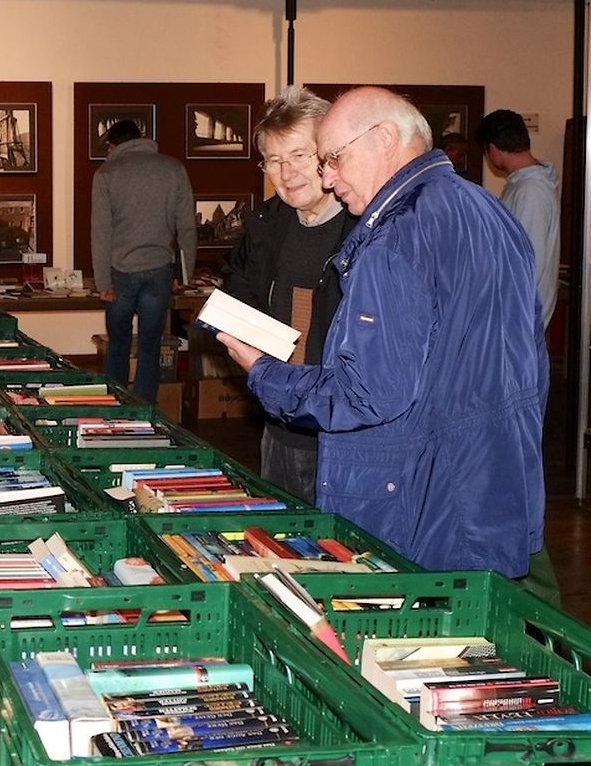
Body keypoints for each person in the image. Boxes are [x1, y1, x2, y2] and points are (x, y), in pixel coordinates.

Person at [218, 86, 547, 581]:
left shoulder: (393, 237)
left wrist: (264, 373)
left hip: (426, 490)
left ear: (385, 138)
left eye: (332, 158)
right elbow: (529, 362)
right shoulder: (489, 211)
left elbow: (367, 393)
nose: (328, 176)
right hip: (493, 480)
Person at [221, 86, 356, 505]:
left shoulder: (362, 228)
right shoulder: (266, 222)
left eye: (299, 155)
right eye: (274, 160)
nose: (287, 172)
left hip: (339, 433)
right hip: (276, 417)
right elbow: (237, 284)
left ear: (329, 156)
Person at [91, 119, 196, 403]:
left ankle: (116, 408)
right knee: (151, 345)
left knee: (118, 345)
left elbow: (101, 233)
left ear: (113, 145)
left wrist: (103, 283)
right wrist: (184, 274)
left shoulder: (106, 173)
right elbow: (186, 227)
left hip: (120, 272)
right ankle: (143, 409)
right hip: (160, 270)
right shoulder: (173, 169)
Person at [477, 108, 560, 328]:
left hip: (519, 317)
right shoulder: (523, 185)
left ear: (493, 148)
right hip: (518, 314)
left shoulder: (530, 191)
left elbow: (528, 262)